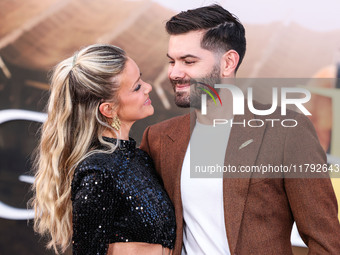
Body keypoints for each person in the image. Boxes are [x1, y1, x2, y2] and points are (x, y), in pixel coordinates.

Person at [140, 4, 340, 255]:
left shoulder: (288, 132)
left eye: (188, 61)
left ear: (228, 62)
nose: (174, 73)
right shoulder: (158, 138)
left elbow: (327, 243)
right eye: (172, 61)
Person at [31, 44, 175, 255]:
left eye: (141, 78)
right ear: (108, 109)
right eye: (136, 87)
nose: (148, 87)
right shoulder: (98, 172)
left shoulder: (138, 157)